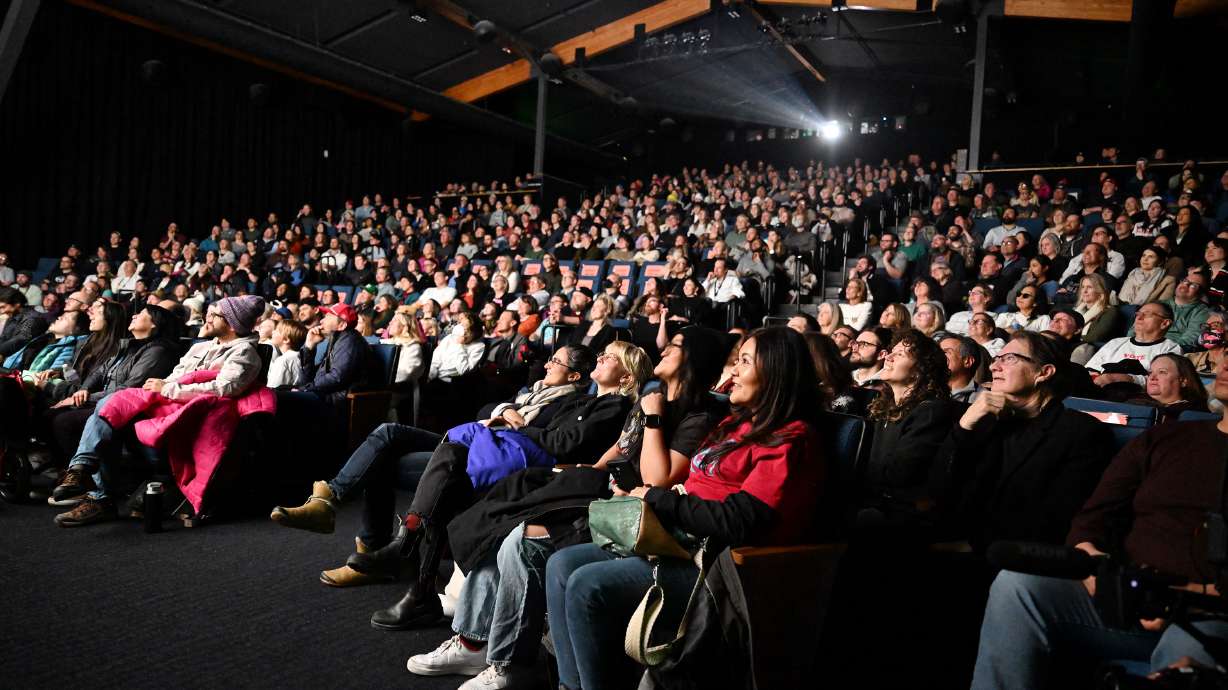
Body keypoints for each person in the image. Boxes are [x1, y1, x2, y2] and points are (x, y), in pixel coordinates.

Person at [408, 327, 732, 687]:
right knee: (507, 511)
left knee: (521, 537)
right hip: (612, 494)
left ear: (693, 362)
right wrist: (587, 470)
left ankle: (505, 663)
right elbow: (619, 453)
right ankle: (472, 636)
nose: (665, 350)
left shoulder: (694, 417)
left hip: (638, 515)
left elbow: (658, 479)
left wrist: (653, 419)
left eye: (674, 347)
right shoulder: (653, 400)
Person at [546, 327, 824, 690]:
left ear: (775, 370)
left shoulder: (791, 439)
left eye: (744, 361)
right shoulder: (736, 423)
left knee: (587, 584)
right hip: (673, 539)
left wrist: (657, 498)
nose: (733, 371)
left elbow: (740, 519)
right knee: (561, 563)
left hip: (714, 565)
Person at [970, 355, 1228, 689]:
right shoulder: (1166, 438)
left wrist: (1188, 595)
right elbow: (1095, 515)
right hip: (1125, 596)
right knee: (1017, 585)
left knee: (1190, 654)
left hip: (1206, 611)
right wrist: (1094, 565)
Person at [359, 341, 650, 631]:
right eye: (602, 352)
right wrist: (510, 414)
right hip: (510, 458)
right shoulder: (581, 401)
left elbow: (564, 443)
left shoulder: (614, 407)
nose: (600, 357)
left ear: (626, 376)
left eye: (609, 356)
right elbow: (541, 428)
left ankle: (409, 552)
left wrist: (521, 427)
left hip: (544, 475)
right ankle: (416, 575)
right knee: (443, 465)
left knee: (445, 470)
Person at [270, 344, 600, 585]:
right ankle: (332, 500)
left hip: (490, 459)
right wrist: (503, 409)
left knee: (384, 459)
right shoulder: (534, 390)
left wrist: (517, 423)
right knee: (389, 432)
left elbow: (556, 443)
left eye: (555, 362)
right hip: (474, 441)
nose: (546, 366)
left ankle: (369, 544)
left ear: (573, 374)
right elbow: (484, 408)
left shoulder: (576, 403)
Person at [51, 295, 265, 525]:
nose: (207, 318)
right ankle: (84, 474)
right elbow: (174, 377)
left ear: (232, 324)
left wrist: (169, 388)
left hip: (190, 416)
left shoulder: (244, 352)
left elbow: (224, 388)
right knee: (109, 408)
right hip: (166, 404)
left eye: (214, 315)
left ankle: (96, 491)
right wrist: (163, 387)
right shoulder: (201, 347)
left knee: (108, 412)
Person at [950, 331, 1113, 551]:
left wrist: (972, 545)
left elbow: (1055, 519)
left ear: (1044, 372)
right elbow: (940, 487)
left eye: (1009, 359)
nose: (993, 367)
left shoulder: (1083, 433)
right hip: (957, 536)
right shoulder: (985, 420)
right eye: (997, 359)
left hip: (1010, 553)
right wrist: (964, 425)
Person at [857, 329, 957, 531]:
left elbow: (900, 475)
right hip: (876, 501)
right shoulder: (884, 406)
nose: (888, 357)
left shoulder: (930, 411)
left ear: (920, 370)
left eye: (900, 354)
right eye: (891, 351)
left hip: (902, 513)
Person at [1085, 301, 1183, 389]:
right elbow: (1089, 370)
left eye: (1147, 314)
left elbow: (1163, 382)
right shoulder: (1116, 343)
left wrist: (1122, 378)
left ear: (1164, 323)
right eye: (1138, 314)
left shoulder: (1170, 348)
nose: (1139, 318)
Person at [0, 286, 49, 357]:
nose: (1, 311)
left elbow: (20, 339)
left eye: (3, 307)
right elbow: (4, 337)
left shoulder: (33, 318)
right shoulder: (13, 316)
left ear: (17, 304)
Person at [941, 334, 987, 404]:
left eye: (946, 352)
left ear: (967, 361)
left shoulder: (982, 399)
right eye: (938, 352)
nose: (938, 356)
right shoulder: (926, 391)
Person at [266, 319, 306, 388]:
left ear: (286, 340)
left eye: (277, 330)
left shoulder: (282, 361)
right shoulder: (299, 357)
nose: (273, 332)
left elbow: (273, 388)